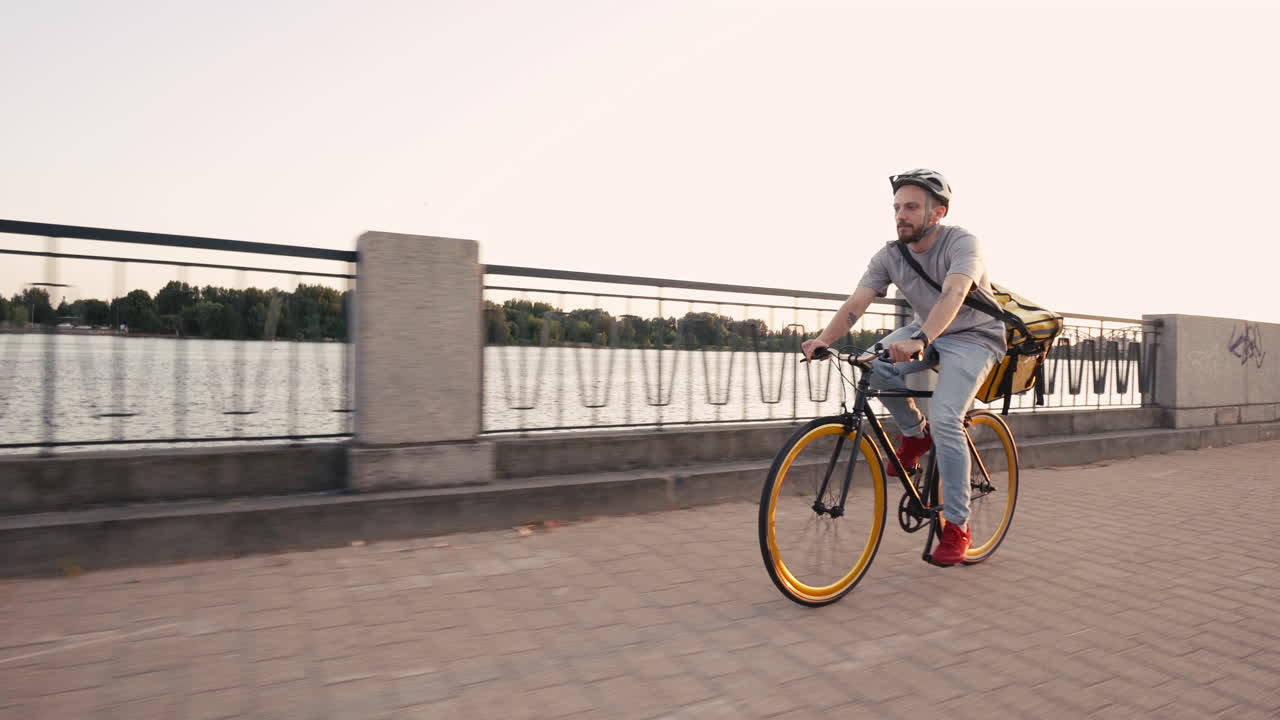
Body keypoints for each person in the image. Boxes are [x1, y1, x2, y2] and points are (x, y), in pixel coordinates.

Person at [800, 169, 1006, 566]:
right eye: (897, 207)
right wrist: (825, 340)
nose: (901, 215)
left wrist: (920, 341)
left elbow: (954, 292)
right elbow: (855, 304)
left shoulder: (964, 244)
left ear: (938, 211)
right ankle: (914, 435)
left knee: (947, 416)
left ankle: (957, 525)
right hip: (923, 331)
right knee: (870, 365)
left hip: (974, 337)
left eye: (911, 206)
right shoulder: (890, 255)